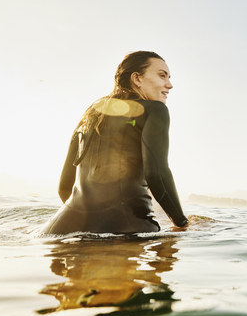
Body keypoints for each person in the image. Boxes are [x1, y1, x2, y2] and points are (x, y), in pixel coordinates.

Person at [40, 51, 188, 234]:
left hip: (60, 229)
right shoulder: (155, 110)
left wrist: (90, 220)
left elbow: (64, 187)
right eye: (162, 75)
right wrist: (181, 223)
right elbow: (156, 173)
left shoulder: (92, 114)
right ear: (137, 79)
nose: (169, 85)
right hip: (126, 229)